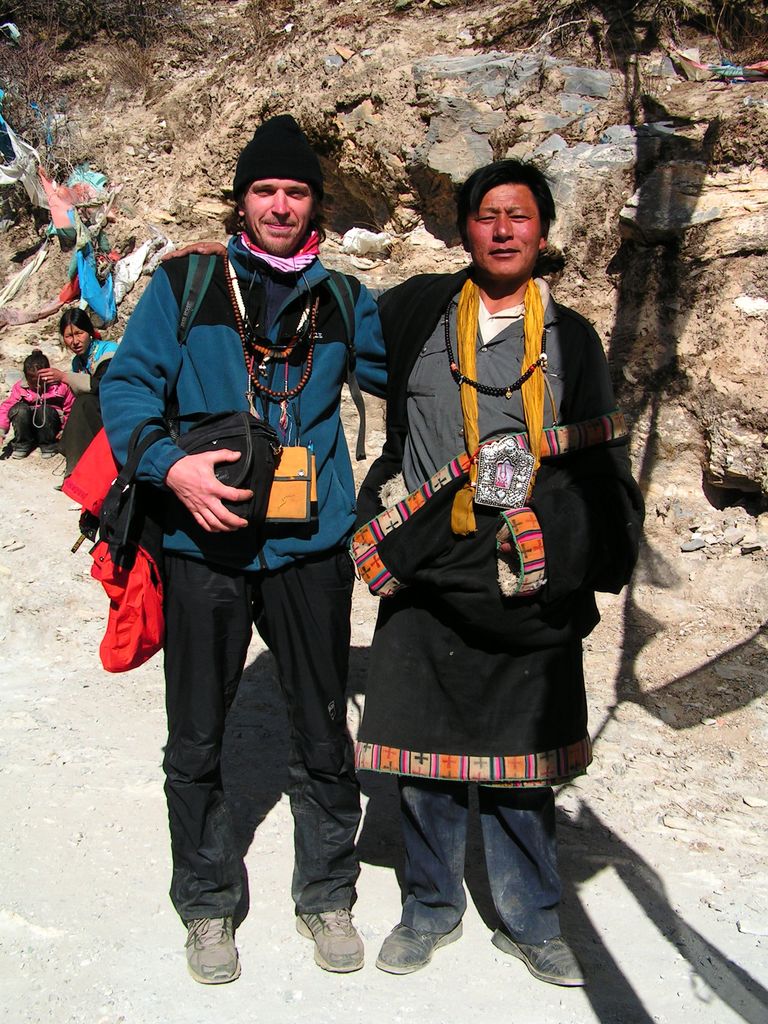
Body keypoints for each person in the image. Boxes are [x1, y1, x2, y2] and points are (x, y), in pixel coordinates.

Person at [99, 114, 386, 985]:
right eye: (265, 189)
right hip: (202, 544)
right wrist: (171, 467)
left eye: (296, 192)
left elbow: (416, 369)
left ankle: (327, 893)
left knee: (322, 731)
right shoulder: (187, 284)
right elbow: (127, 386)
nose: (279, 205)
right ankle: (209, 904)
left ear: (316, 207)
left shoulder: (342, 300)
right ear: (241, 200)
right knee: (195, 739)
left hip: (309, 549)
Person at [353, 160, 644, 986]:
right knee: (421, 755)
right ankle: (430, 906)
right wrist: (225, 255)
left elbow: (597, 456)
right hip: (429, 560)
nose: (504, 229)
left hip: (525, 569)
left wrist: (572, 547)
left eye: (519, 215)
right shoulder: (416, 312)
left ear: (542, 233)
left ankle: (530, 917)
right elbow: (331, 326)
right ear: (466, 230)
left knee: (527, 760)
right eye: (488, 215)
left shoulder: (573, 337)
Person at [37, 308, 118, 478]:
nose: (75, 341)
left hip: (116, 411)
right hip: (95, 412)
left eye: (79, 333)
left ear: (89, 332)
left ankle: (77, 474)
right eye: (69, 336)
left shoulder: (108, 351)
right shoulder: (77, 362)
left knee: (85, 402)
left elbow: (102, 386)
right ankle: (77, 474)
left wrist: (64, 376)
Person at [0, 349, 74, 458]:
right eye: (33, 382)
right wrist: (1, 430)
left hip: (50, 428)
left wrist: (65, 429)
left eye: (42, 381)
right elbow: (7, 407)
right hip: (28, 427)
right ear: (26, 377)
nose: (38, 386)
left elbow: (70, 409)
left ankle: (48, 445)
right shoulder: (20, 388)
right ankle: (22, 444)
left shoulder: (60, 387)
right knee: (19, 409)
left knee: (45, 410)